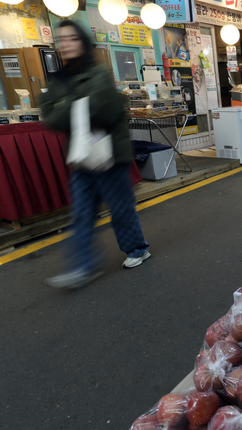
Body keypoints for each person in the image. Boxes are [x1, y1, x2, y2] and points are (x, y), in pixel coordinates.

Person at [40, 20, 151, 289]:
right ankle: (83, 266)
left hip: (110, 154)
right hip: (81, 156)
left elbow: (103, 110)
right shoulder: (58, 79)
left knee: (121, 209)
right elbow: (49, 117)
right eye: (61, 39)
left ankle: (138, 249)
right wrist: (77, 106)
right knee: (81, 213)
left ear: (83, 42)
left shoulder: (98, 72)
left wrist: (68, 107)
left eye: (72, 38)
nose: (65, 44)